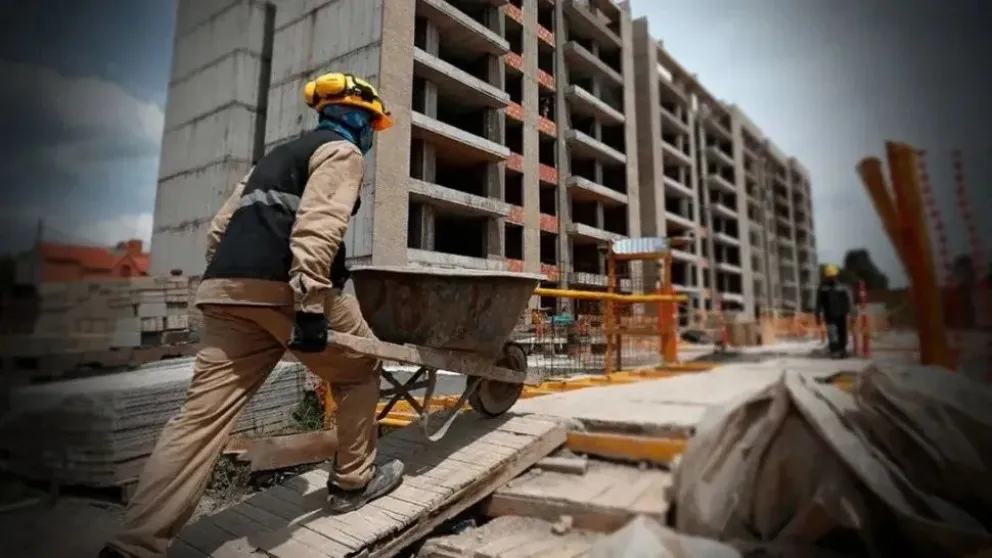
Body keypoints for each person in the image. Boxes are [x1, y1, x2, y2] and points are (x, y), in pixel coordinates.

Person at [100, 73, 403, 558]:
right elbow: (318, 226)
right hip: (287, 288)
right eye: (372, 124)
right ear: (360, 118)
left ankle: (134, 545)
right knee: (361, 369)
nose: (372, 135)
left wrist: (236, 281)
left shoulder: (274, 159)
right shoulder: (341, 153)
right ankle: (352, 484)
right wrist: (307, 305)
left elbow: (219, 229)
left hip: (226, 289)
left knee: (199, 419)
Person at [815, 264, 853, 358]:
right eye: (829, 276)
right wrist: (817, 315)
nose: (831, 278)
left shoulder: (842, 287)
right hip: (829, 315)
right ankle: (835, 351)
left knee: (842, 333)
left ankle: (842, 350)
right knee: (832, 333)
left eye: (832, 276)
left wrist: (851, 312)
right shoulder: (822, 288)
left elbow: (848, 301)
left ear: (836, 275)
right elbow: (819, 303)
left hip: (841, 314)